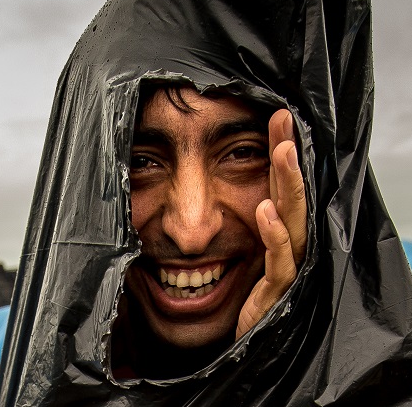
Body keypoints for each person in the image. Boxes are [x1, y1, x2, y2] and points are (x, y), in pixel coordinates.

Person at [0, 0, 412, 407]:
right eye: (141, 162)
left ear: (315, 171)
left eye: (242, 153)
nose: (191, 226)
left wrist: (275, 367)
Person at [112, 87, 308, 380]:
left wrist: (271, 359)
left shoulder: (383, 406)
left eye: (242, 153)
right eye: (141, 162)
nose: (190, 234)